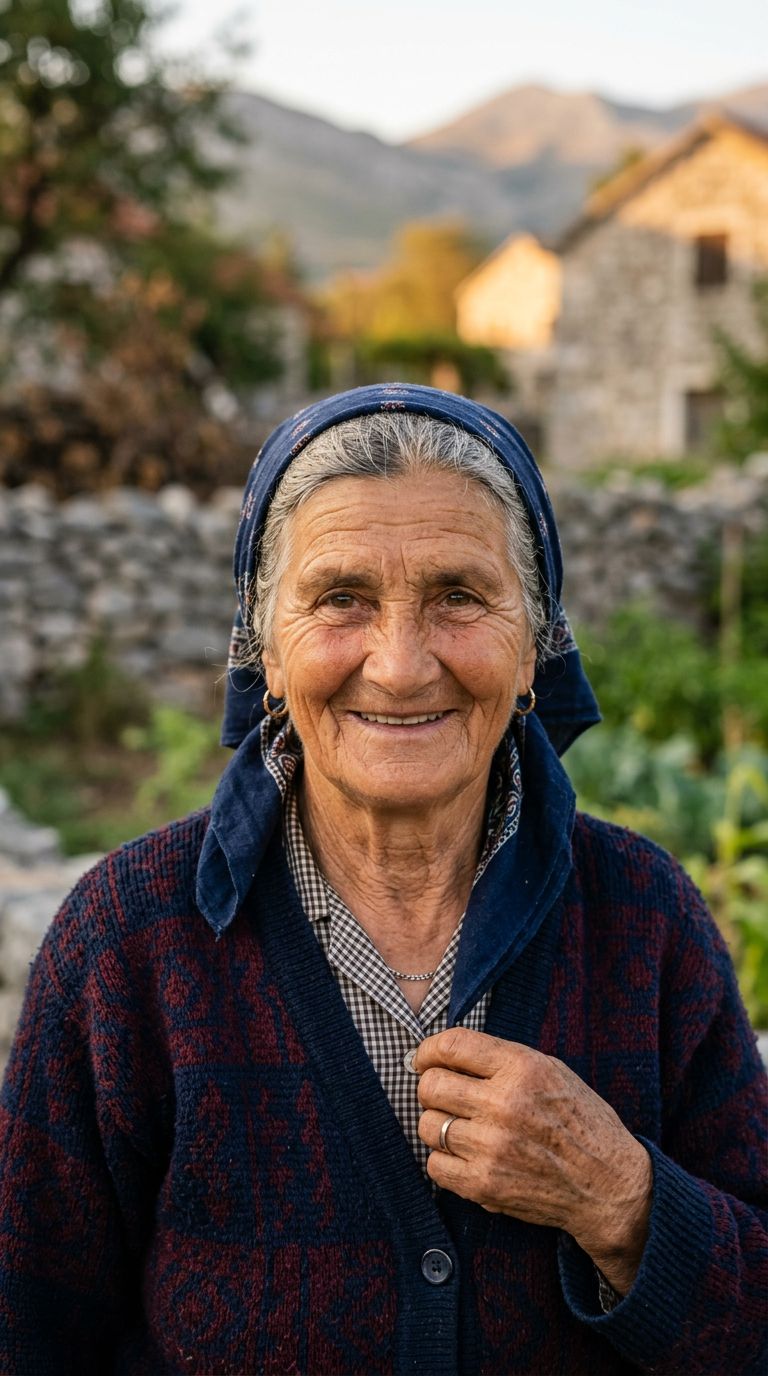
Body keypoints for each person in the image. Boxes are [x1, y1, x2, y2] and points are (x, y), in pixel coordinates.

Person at [0, 383, 765, 1376]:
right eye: (340, 599)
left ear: (534, 644)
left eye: (458, 596)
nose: (401, 667)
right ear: (265, 650)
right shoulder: (129, 940)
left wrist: (621, 1199)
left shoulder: (644, 919)